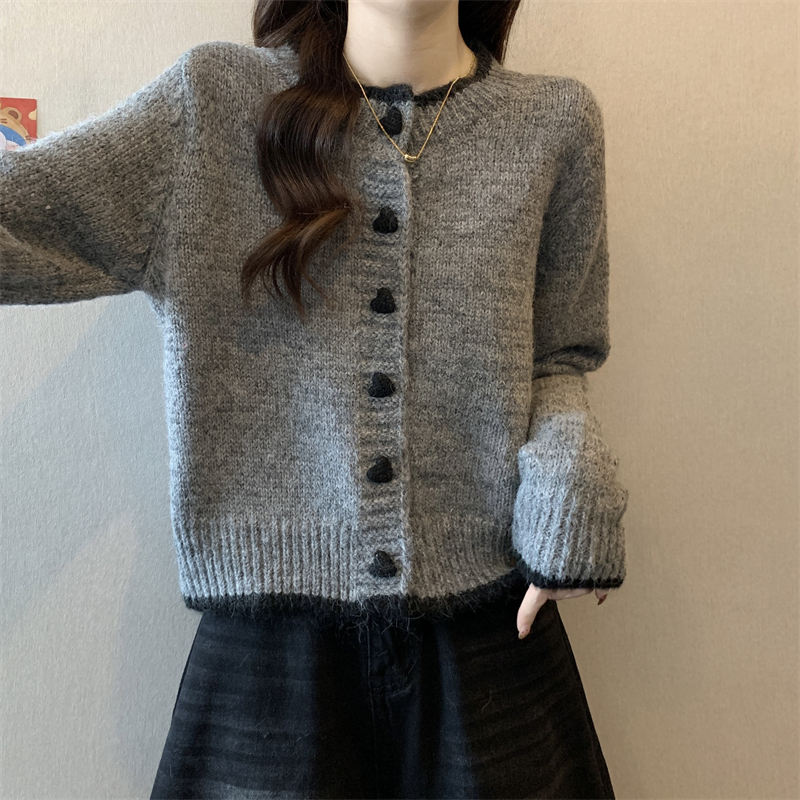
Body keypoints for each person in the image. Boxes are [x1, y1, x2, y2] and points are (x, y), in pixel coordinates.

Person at [0, 0, 630, 796]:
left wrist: (569, 475)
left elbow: (561, 356)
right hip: (269, 658)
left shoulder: (555, 124)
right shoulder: (212, 105)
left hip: (491, 636)